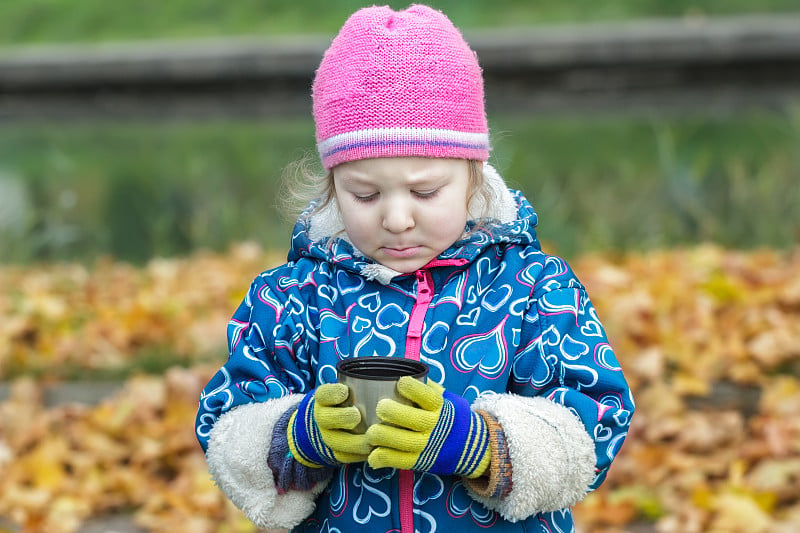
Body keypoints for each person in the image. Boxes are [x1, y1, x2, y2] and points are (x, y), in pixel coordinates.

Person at [195, 5, 634, 533]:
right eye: (364, 194)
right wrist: (297, 437)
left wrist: (481, 444)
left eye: (425, 191)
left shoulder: (534, 288)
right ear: (332, 184)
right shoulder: (292, 297)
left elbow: (595, 425)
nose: (397, 219)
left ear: (473, 176)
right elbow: (226, 430)